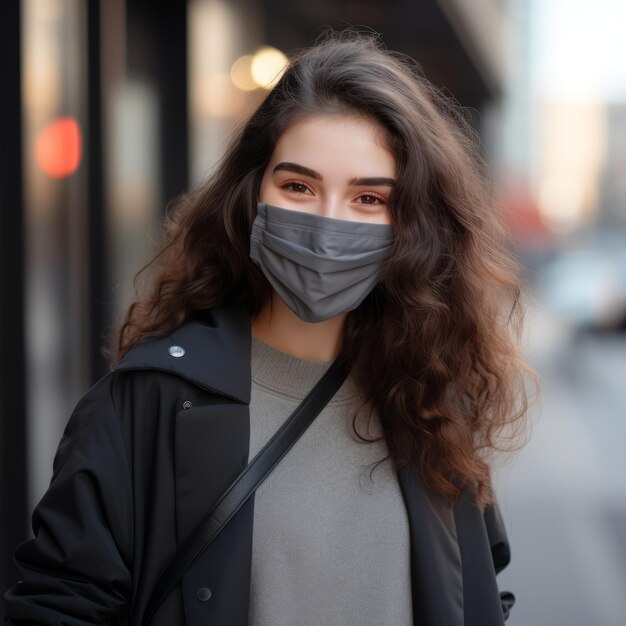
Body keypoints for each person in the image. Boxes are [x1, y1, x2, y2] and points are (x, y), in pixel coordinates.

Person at [3, 30, 537, 626]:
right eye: (299, 186)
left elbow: (479, 591)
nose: (329, 223)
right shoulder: (143, 404)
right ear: (251, 196)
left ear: (412, 226)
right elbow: (58, 607)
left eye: (368, 198)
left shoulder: (431, 401)